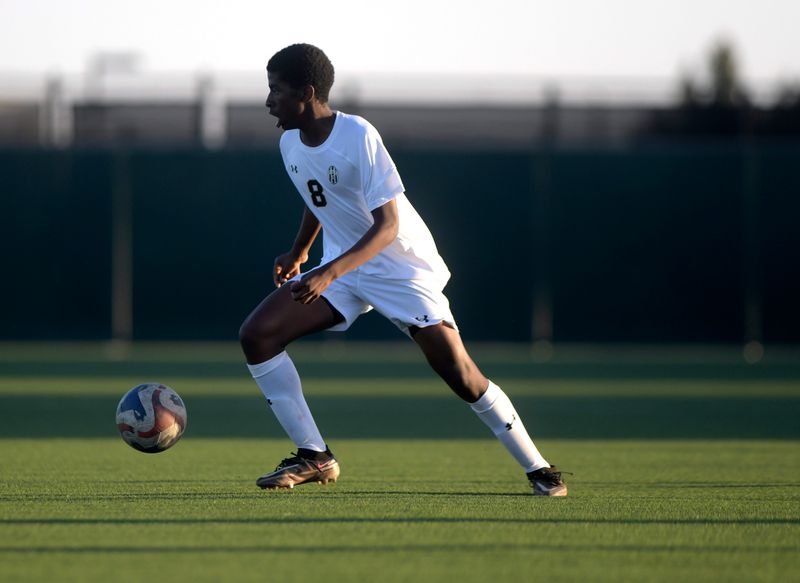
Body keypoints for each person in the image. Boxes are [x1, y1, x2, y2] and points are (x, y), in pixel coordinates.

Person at [239, 43, 567, 496]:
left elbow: (388, 226)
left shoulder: (357, 134)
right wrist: (299, 252)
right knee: (258, 335)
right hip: (343, 267)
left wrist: (328, 272)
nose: (268, 100)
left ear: (307, 92)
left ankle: (539, 468)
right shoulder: (289, 142)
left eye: (276, 90)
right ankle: (314, 456)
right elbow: (317, 197)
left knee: (460, 372)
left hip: (399, 269)